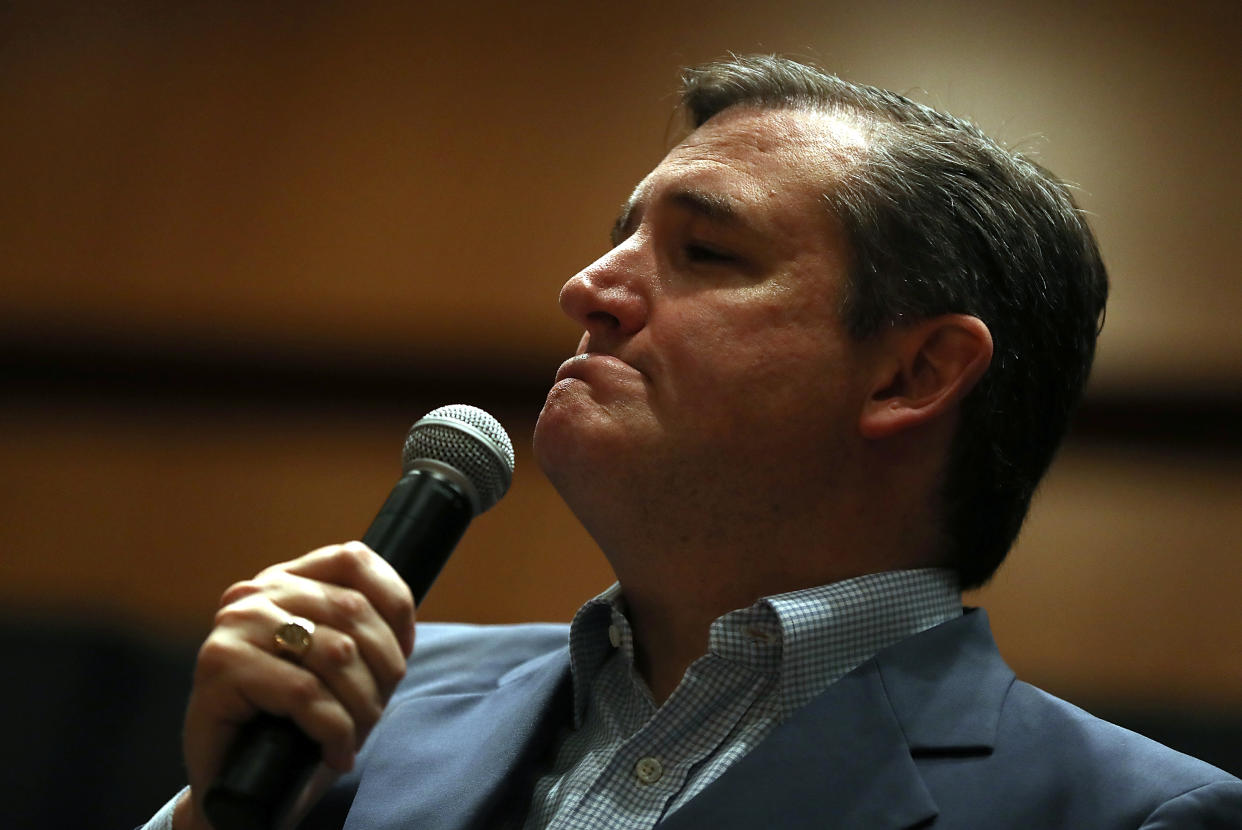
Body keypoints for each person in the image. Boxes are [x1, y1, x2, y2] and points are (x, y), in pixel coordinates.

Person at [144, 55, 1242, 829]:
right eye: (618, 236)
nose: (587, 288)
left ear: (913, 372)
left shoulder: (1131, 811)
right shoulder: (354, 698)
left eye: (706, 251)